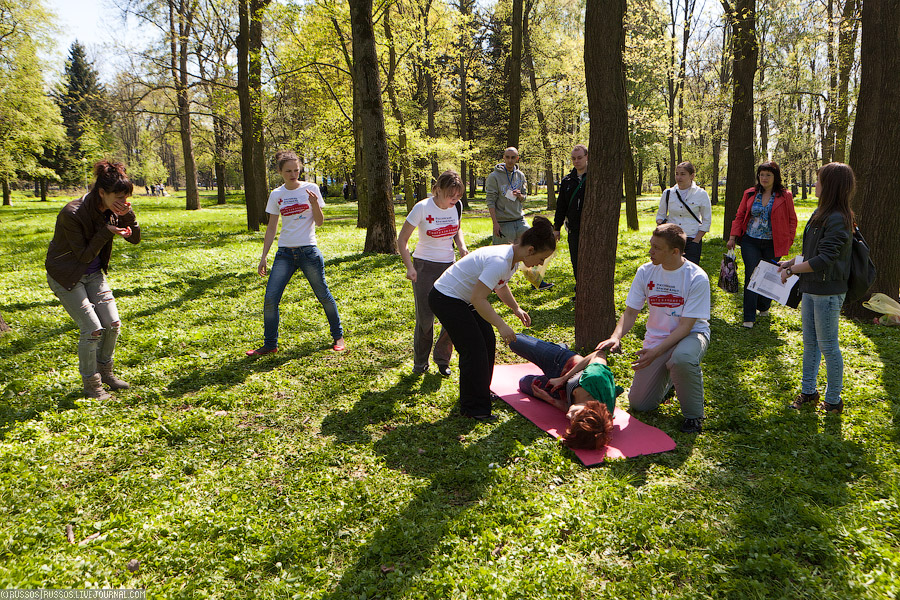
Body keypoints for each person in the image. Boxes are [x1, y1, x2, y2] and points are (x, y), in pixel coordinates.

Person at [429, 216, 557, 421]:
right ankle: (473, 408)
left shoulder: (513, 259)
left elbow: (500, 285)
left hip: (463, 299)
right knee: (473, 349)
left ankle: (480, 392)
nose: (540, 263)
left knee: (487, 341)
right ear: (530, 250)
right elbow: (478, 299)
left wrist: (516, 308)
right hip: (446, 298)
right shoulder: (500, 260)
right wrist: (502, 325)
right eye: (542, 258)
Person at [597, 223, 711, 433]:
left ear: (675, 252)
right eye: (651, 245)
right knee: (641, 404)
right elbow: (631, 312)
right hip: (658, 338)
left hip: (691, 335)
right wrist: (616, 336)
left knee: (682, 359)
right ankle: (671, 382)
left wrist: (655, 353)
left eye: (657, 248)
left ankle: (694, 415)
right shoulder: (645, 272)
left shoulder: (696, 277)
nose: (650, 251)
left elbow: (686, 327)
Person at [45, 161, 141, 399]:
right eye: (118, 197)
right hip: (67, 276)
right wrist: (107, 231)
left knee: (112, 324)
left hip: (94, 275)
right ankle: (92, 385)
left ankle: (105, 372)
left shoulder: (112, 210)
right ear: (101, 193)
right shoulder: (72, 213)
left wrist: (127, 215)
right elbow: (84, 255)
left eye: (126, 198)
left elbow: (135, 239)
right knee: (92, 330)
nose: (122, 201)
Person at [247, 150, 345, 356]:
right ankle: (270, 344)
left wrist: (314, 204)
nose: (293, 174)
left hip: (308, 251)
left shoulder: (311, 189)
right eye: (288, 171)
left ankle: (338, 336)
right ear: (280, 172)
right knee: (271, 299)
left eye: (297, 170)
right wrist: (264, 256)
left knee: (323, 295)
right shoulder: (277, 194)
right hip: (284, 254)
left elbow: (319, 221)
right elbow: (272, 227)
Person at [778, 162, 855, 414]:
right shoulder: (820, 213)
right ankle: (809, 392)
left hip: (828, 292)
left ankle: (833, 400)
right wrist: (792, 262)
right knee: (810, 344)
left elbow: (825, 260)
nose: (815, 184)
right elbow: (813, 253)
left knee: (828, 346)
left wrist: (792, 271)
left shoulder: (838, 219)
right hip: (811, 288)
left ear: (830, 185)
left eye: (819, 180)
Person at [398, 170, 469, 377]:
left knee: (452, 316)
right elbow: (402, 240)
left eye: (458, 197)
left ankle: (442, 359)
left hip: (449, 266)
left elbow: (456, 229)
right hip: (424, 267)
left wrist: (462, 247)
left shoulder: (456, 206)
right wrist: (410, 267)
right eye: (450, 196)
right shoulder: (422, 207)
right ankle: (420, 363)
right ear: (437, 190)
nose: (454, 200)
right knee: (425, 318)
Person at [508, 334, 623, 450]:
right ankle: (560, 348)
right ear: (589, 409)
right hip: (562, 363)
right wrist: (563, 379)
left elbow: (568, 408)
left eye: (571, 420)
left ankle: (556, 352)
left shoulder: (594, 420)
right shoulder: (595, 378)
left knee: (524, 383)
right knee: (514, 341)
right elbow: (599, 354)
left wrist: (549, 399)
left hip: (559, 391)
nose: (568, 415)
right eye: (574, 416)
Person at [727, 161, 798, 328]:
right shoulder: (750, 193)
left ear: (775, 177)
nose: (764, 178)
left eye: (768, 175)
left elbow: (792, 220)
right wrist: (732, 237)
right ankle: (748, 317)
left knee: (769, 274)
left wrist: (788, 240)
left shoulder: (785, 195)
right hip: (750, 241)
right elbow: (740, 215)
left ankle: (764, 306)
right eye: (761, 174)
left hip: (773, 242)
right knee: (752, 275)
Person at [485, 147, 552, 290]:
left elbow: (524, 196)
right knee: (500, 256)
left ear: (517, 159)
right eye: (507, 157)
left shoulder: (520, 175)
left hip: (519, 220)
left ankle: (536, 281)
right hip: (503, 222)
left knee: (534, 247)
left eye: (513, 157)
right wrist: (495, 223)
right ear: (503, 158)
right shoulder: (494, 177)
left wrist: (520, 195)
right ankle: (494, 284)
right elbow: (490, 201)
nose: (510, 160)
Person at [655, 161, 712, 265]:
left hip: (692, 239)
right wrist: (661, 225)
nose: (679, 177)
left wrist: (696, 240)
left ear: (692, 176)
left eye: (683, 174)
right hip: (671, 240)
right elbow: (660, 215)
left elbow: (706, 220)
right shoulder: (668, 193)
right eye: (677, 174)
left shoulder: (701, 194)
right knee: (670, 269)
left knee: (690, 272)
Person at [553, 144, 588, 281]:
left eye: (580, 158)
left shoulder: (594, 179)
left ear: (587, 157)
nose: (576, 161)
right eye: (573, 158)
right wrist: (557, 228)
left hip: (590, 228)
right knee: (576, 260)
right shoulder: (567, 181)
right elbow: (561, 206)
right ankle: (579, 288)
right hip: (574, 228)